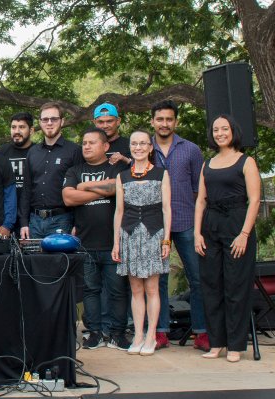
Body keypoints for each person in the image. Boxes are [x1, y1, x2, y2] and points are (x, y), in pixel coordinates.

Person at [195, 115, 260, 363]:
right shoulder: (207, 163)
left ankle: (235, 345)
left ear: (233, 131)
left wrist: (244, 234)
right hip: (210, 224)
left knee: (235, 287)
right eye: (216, 129)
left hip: (236, 222)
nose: (220, 133)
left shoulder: (246, 161)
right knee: (211, 286)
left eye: (225, 129)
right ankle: (217, 343)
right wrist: (196, 233)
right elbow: (200, 200)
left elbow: (254, 200)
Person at [63, 127, 129, 350]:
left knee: (118, 290)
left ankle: (118, 333)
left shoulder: (117, 167)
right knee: (90, 290)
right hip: (85, 241)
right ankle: (95, 332)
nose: (87, 146)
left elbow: (117, 186)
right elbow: (69, 198)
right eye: (84, 143)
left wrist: (86, 186)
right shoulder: (75, 170)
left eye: (92, 142)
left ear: (106, 146)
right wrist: (104, 190)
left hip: (114, 242)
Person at [150, 100, 208, 350]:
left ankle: (202, 331)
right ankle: (160, 331)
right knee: (158, 280)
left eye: (169, 119)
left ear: (176, 121)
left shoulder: (191, 150)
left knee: (197, 278)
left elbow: (200, 190)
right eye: (160, 119)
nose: (164, 124)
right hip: (154, 224)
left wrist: (198, 225)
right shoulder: (143, 148)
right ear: (152, 121)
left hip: (185, 220)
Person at [113, 130, 171, 356]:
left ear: (150, 147)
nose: (138, 147)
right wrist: (116, 242)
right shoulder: (122, 176)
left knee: (152, 288)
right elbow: (119, 211)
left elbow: (167, 209)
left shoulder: (161, 174)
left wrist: (167, 239)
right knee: (136, 288)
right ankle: (137, 334)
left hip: (154, 234)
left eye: (142, 143)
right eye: (134, 144)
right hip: (129, 234)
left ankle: (151, 335)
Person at [19, 102, 81, 239]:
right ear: (40, 123)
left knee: (60, 260)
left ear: (62, 121)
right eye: (45, 119)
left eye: (54, 119)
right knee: (34, 260)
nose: (49, 123)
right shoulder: (32, 152)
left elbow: (79, 190)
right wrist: (24, 222)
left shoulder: (74, 151)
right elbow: (26, 189)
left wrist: (78, 223)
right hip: (34, 221)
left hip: (63, 220)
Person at [0, 112, 35, 233]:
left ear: (31, 130)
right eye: (13, 127)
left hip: (32, 217)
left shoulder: (39, 152)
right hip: (5, 217)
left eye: (21, 127)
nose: (17, 131)